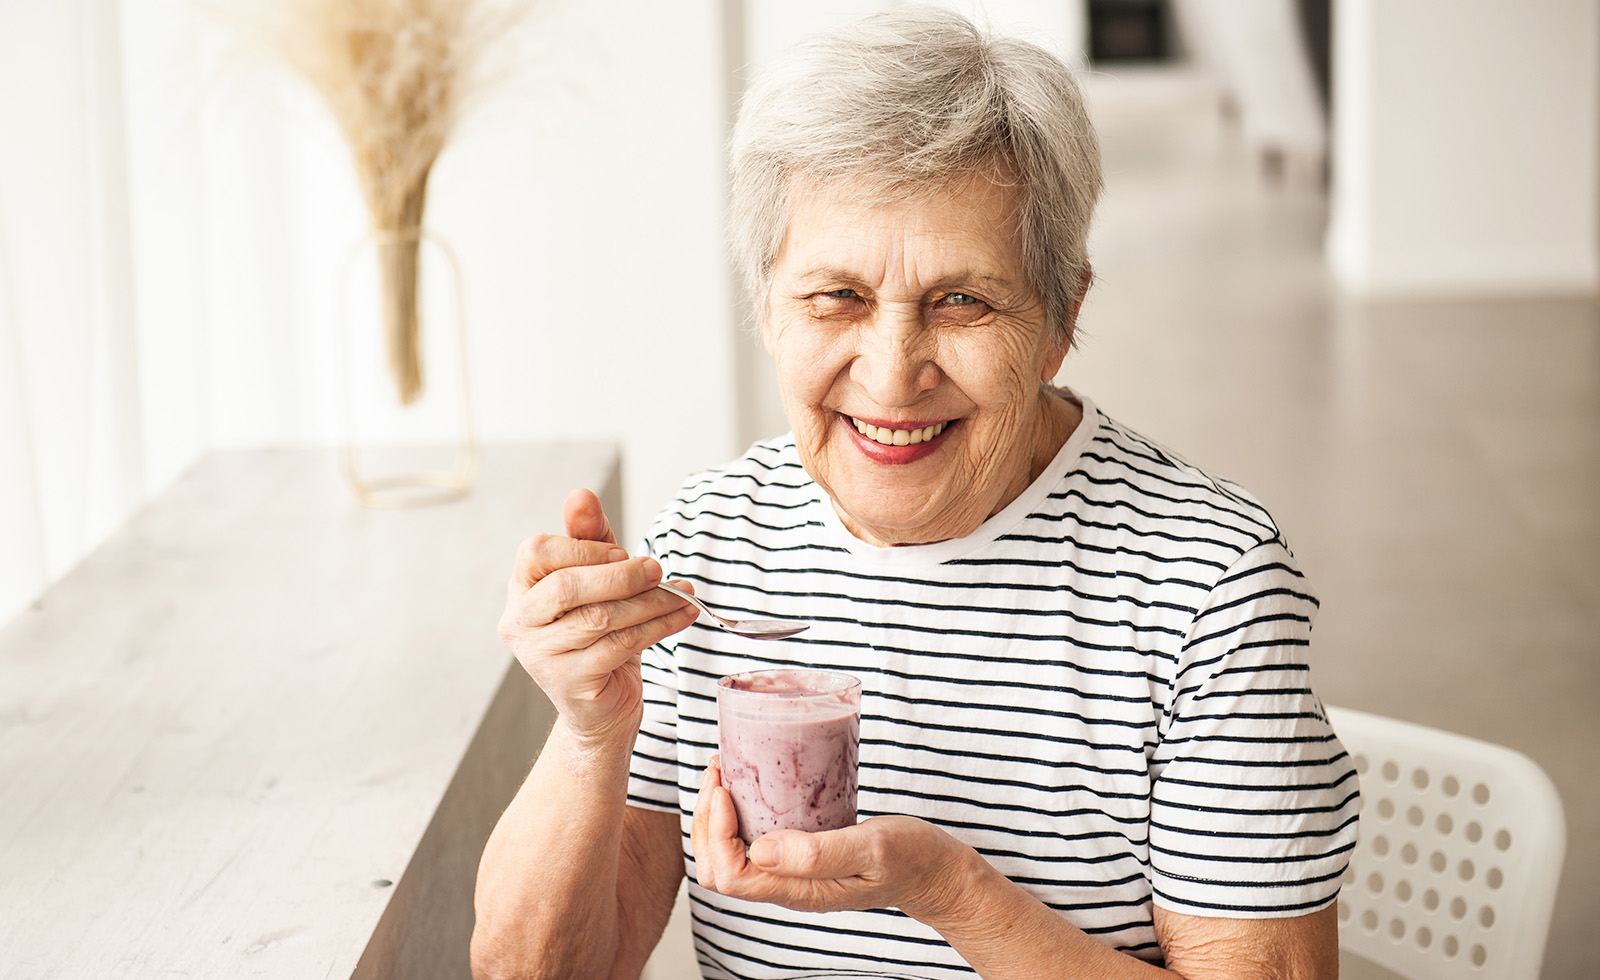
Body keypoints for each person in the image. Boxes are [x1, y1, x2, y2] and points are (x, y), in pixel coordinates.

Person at [471, 8, 1358, 979]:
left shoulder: (1204, 584)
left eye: (961, 300)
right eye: (836, 297)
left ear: (1061, 318)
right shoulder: (712, 545)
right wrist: (590, 730)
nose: (892, 376)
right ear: (766, 308)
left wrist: (947, 889)